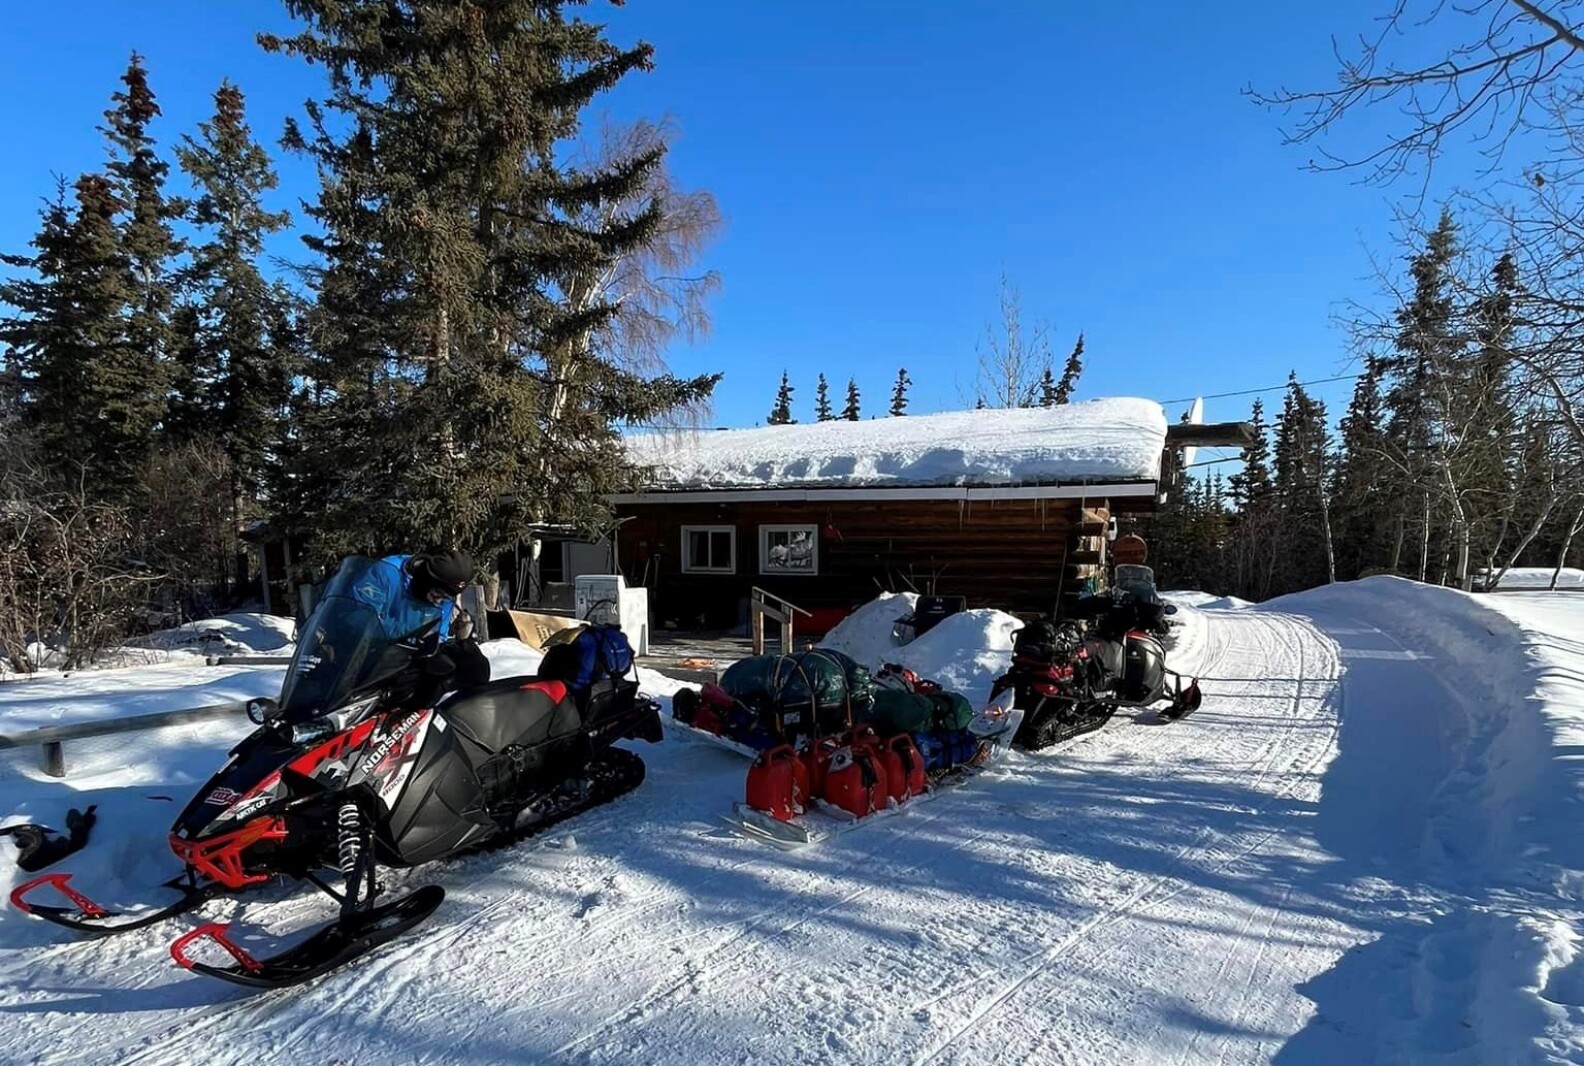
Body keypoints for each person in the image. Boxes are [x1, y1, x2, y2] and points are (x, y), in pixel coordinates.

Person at [355, 549, 492, 708]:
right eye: (437, 594)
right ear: (428, 580)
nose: (440, 601)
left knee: (474, 666)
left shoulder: (445, 596)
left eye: (447, 598)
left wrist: (452, 644)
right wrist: (412, 632)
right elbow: (361, 620)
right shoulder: (386, 573)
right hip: (372, 648)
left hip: (411, 651)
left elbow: (438, 635)